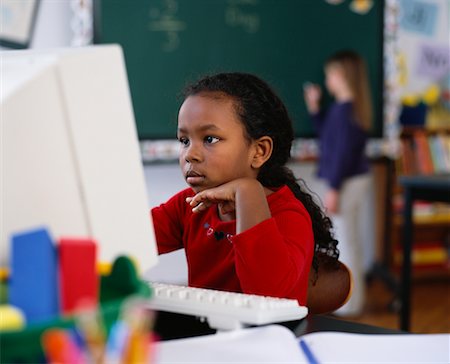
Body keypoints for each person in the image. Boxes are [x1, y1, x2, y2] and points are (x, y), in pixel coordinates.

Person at [151, 72, 338, 305]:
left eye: (210, 139)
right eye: (184, 140)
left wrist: (248, 192)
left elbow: (267, 298)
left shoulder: (289, 216)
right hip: (208, 338)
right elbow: (124, 241)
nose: (190, 154)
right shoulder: (188, 205)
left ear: (259, 151)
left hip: (266, 340)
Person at [303, 50, 373, 316]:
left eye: (329, 74)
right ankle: (350, 301)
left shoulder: (347, 112)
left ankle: (350, 304)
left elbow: (341, 155)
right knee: (346, 238)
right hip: (347, 180)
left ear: (342, 75)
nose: (327, 79)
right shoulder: (343, 109)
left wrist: (334, 189)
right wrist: (314, 107)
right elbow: (328, 137)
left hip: (346, 183)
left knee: (346, 239)